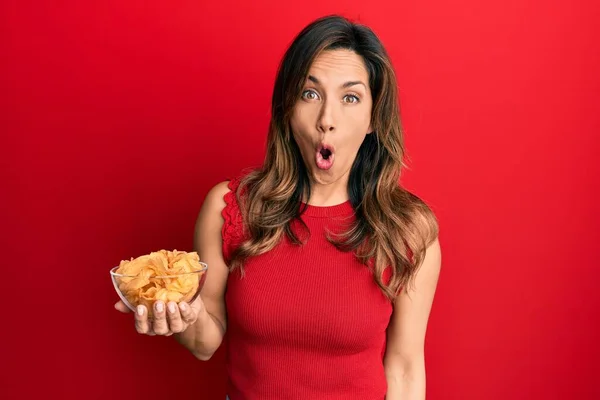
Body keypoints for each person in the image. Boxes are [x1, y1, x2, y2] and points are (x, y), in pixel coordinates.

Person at [115, 14, 441, 400]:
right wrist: (181, 315)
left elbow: (404, 371)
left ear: (373, 117)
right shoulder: (230, 208)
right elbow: (204, 342)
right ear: (287, 108)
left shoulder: (409, 230)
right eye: (310, 93)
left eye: (350, 97)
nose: (327, 120)